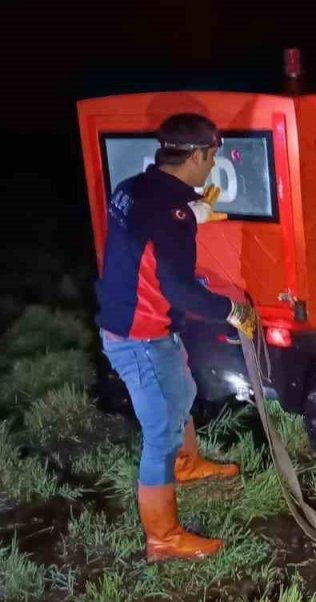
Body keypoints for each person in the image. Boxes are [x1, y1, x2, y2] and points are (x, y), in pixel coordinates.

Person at [96, 113, 244, 563]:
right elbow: (178, 287)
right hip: (139, 333)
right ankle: (163, 537)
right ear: (196, 155)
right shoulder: (171, 212)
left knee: (183, 390)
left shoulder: (133, 188)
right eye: (212, 156)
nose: (212, 165)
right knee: (160, 430)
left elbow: (146, 237)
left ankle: (188, 465)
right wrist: (230, 311)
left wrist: (193, 214)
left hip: (137, 320)